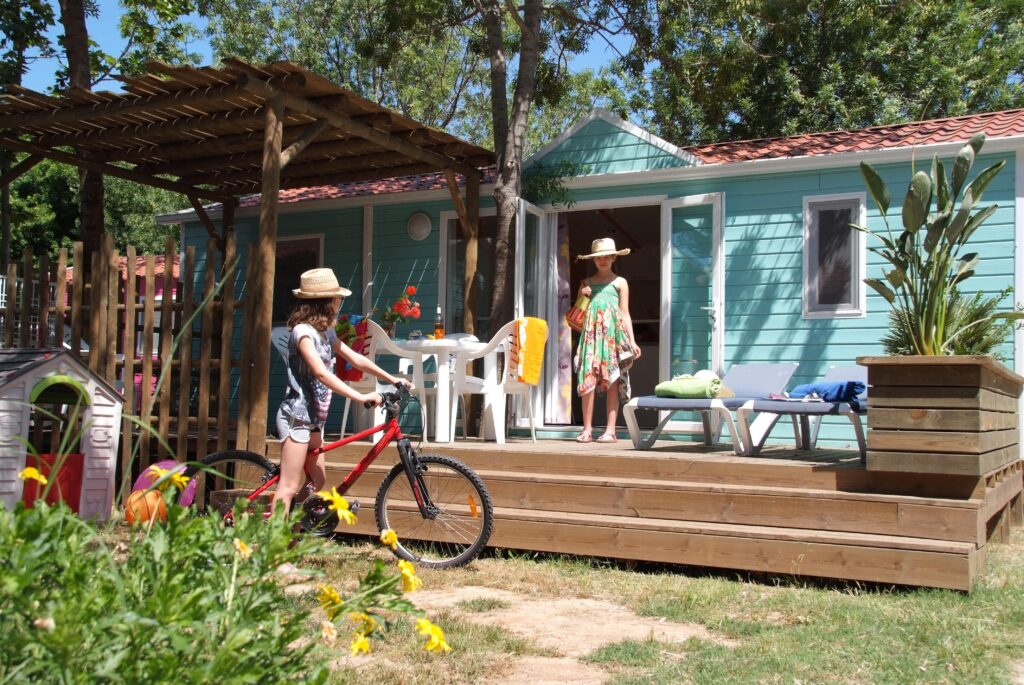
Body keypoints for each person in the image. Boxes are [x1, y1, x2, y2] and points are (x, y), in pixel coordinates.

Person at [272, 267, 411, 514]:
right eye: (337, 298)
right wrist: (360, 396)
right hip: (297, 417)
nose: (340, 302)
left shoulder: (326, 332)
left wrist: (393, 379)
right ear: (325, 301)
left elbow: (355, 358)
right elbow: (321, 373)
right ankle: (273, 547)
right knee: (289, 486)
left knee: (318, 482)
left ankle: (294, 529)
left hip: (314, 418)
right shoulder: (303, 333)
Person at [574, 238, 641, 443]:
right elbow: (577, 315)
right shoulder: (586, 283)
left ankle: (610, 430)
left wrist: (632, 340)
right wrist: (582, 296)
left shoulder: (620, 283)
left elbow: (624, 313)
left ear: (613, 257)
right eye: (598, 258)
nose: (602, 260)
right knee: (588, 378)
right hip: (590, 338)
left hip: (612, 338)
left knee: (612, 379)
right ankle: (587, 430)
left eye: (606, 256)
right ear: (593, 260)